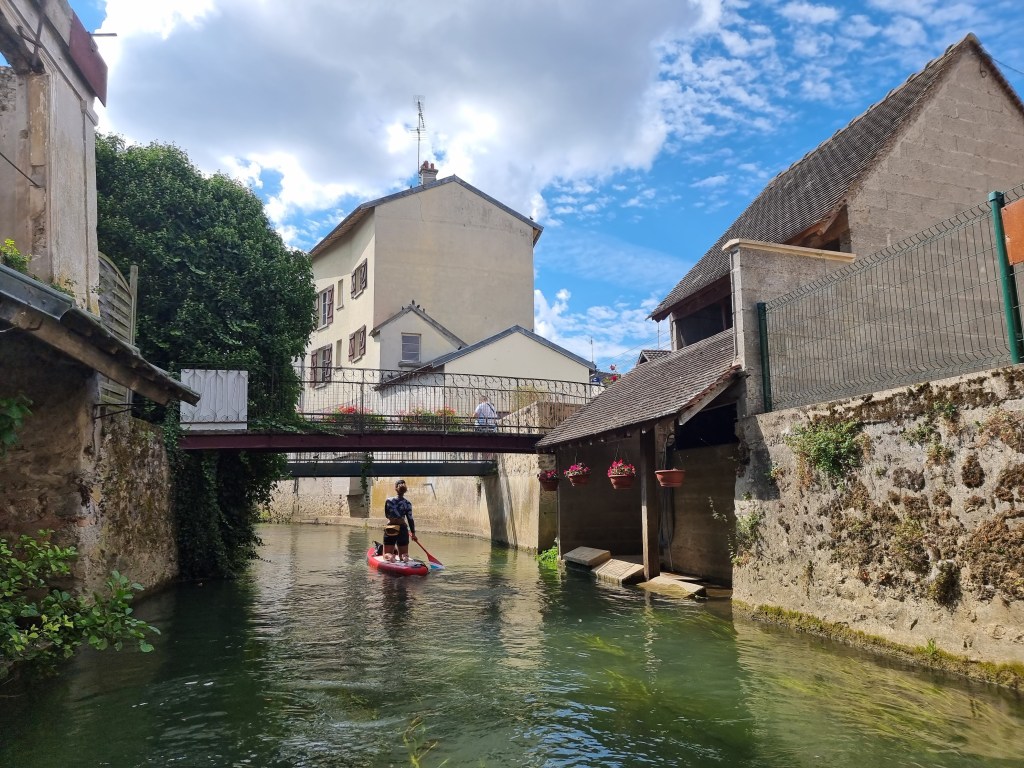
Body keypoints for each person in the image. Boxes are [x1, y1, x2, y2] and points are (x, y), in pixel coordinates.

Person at [382, 479, 417, 562]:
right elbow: (410, 519)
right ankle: (404, 557)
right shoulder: (407, 503)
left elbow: (387, 515)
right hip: (403, 529)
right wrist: (413, 534)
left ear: (395, 488)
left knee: (386, 554)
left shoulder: (389, 501)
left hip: (391, 527)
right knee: (402, 554)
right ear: (405, 490)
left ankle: (391, 557)